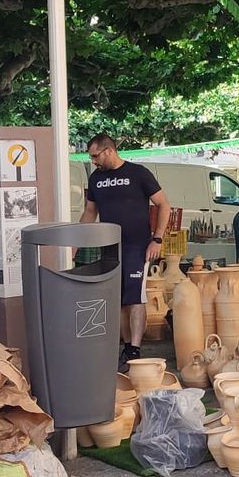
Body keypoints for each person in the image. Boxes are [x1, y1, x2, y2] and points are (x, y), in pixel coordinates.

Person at [79, 135, 170, 366]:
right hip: (109, 247)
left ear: (109, 151)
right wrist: (75, 241)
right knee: (118, 299)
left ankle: (135, 350)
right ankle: (127, 347)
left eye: (95, 156)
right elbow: (90, 212)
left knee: (135, 297)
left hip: (137, 246)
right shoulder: (96, 178)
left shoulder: (138, 173)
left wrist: (157, 239)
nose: (93, 161)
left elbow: (163, 204)